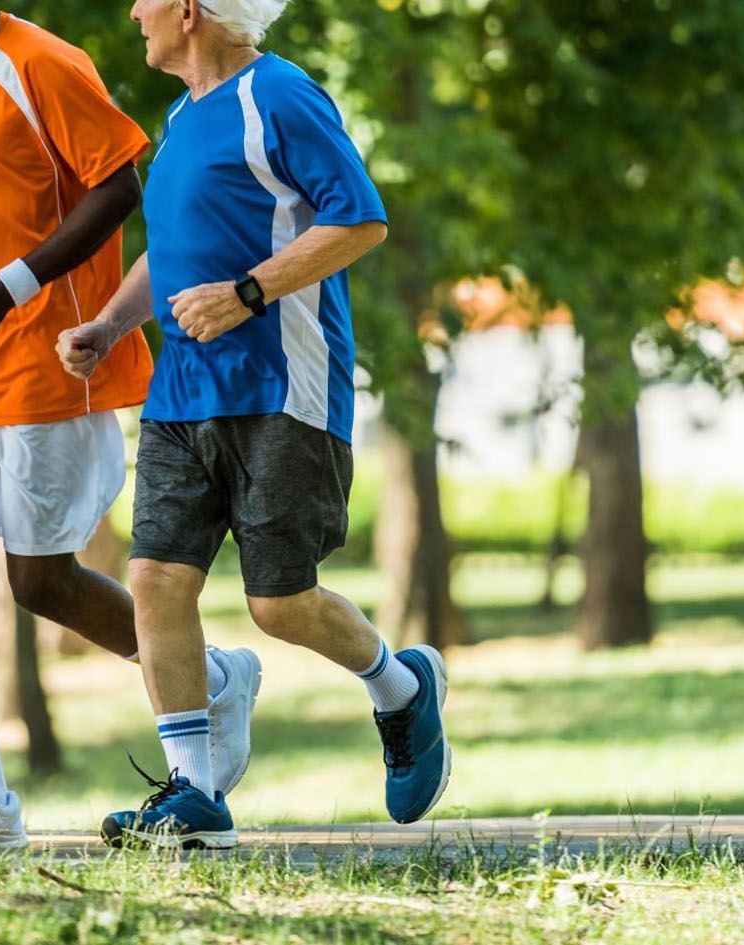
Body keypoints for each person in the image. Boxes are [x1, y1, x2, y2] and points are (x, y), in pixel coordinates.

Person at [57, 0, 451, 849]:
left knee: (279, 603)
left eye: (148, 0)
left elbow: (360, 218)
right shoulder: (182, 115)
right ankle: (195, 793)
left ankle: (401, 687)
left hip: (282, 386)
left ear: (190, 11)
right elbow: (173, 245)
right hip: (180, 394)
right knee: (157, 580)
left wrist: (247, 295)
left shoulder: (281, 95)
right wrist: (113, 324)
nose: (134, 11)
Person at [0, 0, 261, 850]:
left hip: (47, 359)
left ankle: (216, 677)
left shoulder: (43, 61)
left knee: (40, 580)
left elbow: (121, 187)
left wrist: (10, 287)